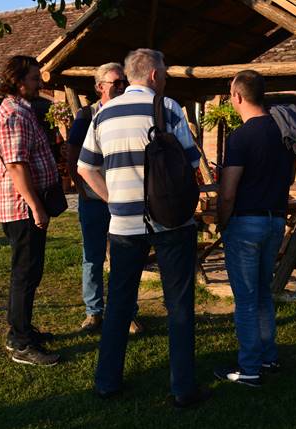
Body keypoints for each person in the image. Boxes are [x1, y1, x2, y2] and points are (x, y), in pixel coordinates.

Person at [77, 48, 210, 408]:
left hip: (123, 224)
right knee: (179, 304)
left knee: (119, 302)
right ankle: (182, 387)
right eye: (163, 71)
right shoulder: (167, 109)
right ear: (153, 75)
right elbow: (192, 160)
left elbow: (85, 168)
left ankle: (107, 381)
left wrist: (111, 199)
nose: (165, 77)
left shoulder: (103, 114)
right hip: (172, 223)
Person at [215, 70, 295, 387]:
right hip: (275, 219)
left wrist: (223, 221)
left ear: (237, 96)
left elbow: (229, 190)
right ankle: (267, 355)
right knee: (263, 293)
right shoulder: (284, 131)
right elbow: (287, 179)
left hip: (246, 222)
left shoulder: (242, 137)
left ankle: (249, 367)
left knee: (246, 299)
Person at [0, 55, 60, 366]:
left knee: (30, 272)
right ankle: (20, 342)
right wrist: (36, 207)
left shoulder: (21, 111)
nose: (40, 83)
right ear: (18, 82)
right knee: (25, 272)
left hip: (27, 206)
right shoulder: (14, 116)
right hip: (22, 208)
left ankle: (21, 331)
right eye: (34, 78)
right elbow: (17, 166)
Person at [67, 62, 143, 334]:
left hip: (124, 199)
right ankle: (93, 312)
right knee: (93, 256)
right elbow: (72, 153)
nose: (122, 86)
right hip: (94, 201)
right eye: (116, 82)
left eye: (124, 81)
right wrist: (83, 188)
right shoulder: (86, 115)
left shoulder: (131, 112)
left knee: (126, 258)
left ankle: (126, 312)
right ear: (100, 87)